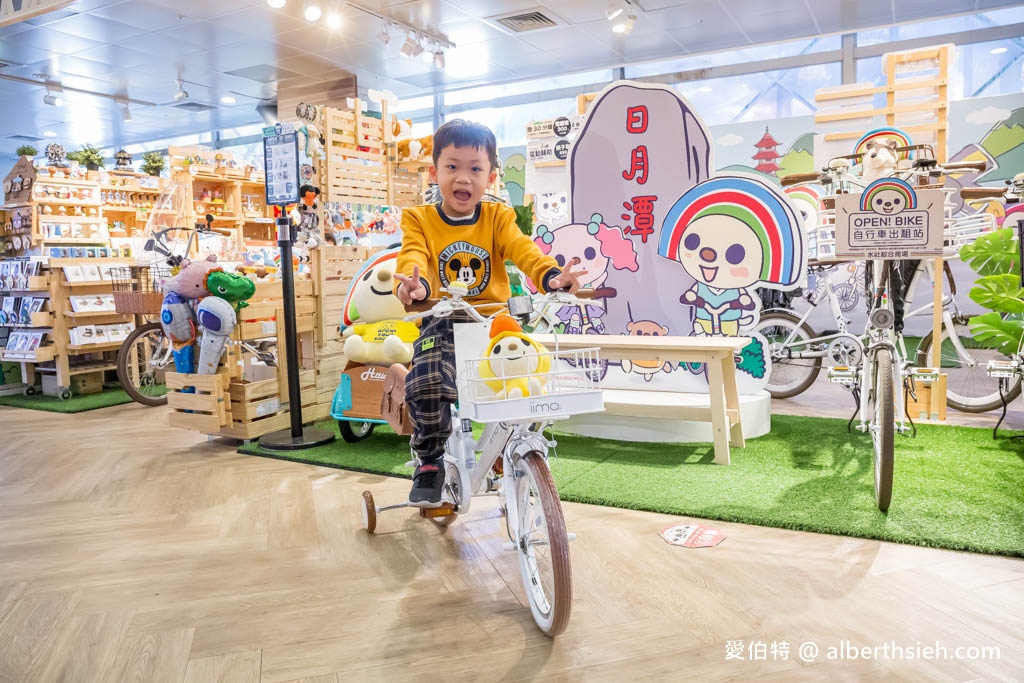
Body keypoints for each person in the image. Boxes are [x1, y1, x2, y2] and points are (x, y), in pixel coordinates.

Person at [394, 119, 585, 506]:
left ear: (491, 177)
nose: (463, 178)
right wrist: (416, 286)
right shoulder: (419, 219)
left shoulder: (498, 218)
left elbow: (524, 250)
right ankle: (429, 460)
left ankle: (512, 443)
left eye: (475, 168)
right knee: (428, 377)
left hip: (493, 322)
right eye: (452, 166)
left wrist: (551, 276)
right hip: (441, 318)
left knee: (528, 369)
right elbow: (413, 255)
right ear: (435, 172)